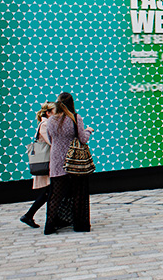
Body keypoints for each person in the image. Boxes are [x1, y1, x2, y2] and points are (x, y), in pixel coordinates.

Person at [44, 92, 94, 235]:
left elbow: (51, 138)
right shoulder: (75, 118)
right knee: (78, 193)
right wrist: (89, 131)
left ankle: (50, 225)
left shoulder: (51, 120)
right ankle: (79, 224)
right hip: (74, 161)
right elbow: (83, 139)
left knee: (55, 194)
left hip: (56, 160)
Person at [20, 102, 55, 228]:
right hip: (47, 163)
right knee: (49, 191)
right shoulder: (45, 124)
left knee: (49, 191)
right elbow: (51, 142)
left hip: (49, 162)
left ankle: (29, 215)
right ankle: (29, 215)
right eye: (55, 111)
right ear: (48, 113)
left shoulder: (45, 123)